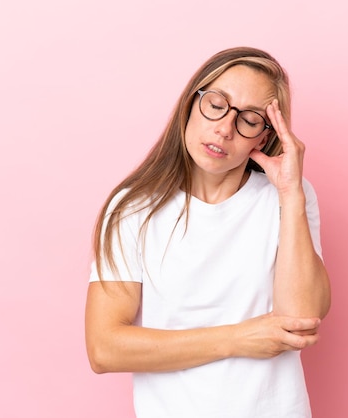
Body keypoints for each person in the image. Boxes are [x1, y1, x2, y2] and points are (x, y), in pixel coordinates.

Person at [85, 46, 331, 418]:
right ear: (191, 104)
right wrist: (239, 338)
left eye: (249, 119)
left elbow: (301, 317)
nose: (224, 128)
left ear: (262, 138)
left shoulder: (289, 197)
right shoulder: (133, 208)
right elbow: (105, 348)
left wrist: (290, 194)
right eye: (216, 104)